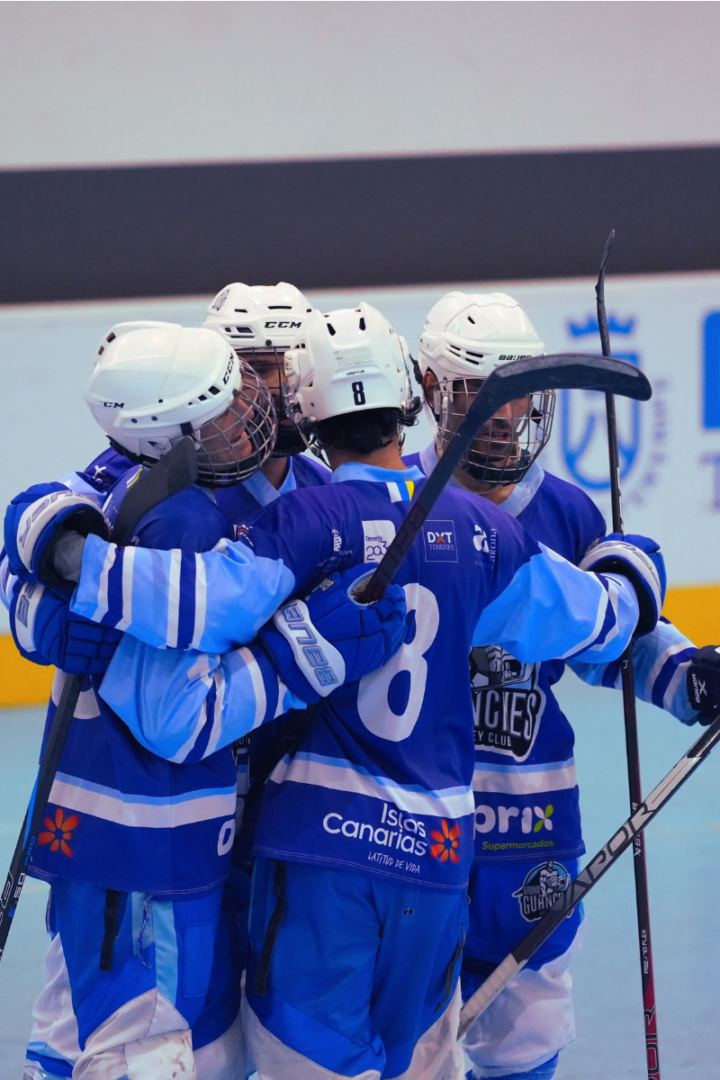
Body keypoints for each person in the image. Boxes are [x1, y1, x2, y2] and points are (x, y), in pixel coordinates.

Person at [31, 303, 667, 1080]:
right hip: (438, 861)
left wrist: (76, 571)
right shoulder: (483, 529)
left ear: (305, 411)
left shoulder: (303, 515)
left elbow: (202, 605)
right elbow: (600, 625)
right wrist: (635, 572)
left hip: (322, 850)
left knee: (274, 1054)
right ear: (412, 398)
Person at [6, 322, 406, 1080]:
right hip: (145, 839)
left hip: (149, 837)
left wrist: (55, 570)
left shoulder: (164, 487)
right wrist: (300, 657)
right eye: (222, 409)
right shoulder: (183, 516)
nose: (250, 413)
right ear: (168, 433)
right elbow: (173, 717)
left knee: (100, 1043)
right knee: (142, 1054)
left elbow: (38, 537)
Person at [408, 290, 716, 1080]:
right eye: (481, 392)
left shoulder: (569, 512)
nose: (503, 415)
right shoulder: (392, 502)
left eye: (518, 394)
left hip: (532, 831)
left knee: (527, 1036)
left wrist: (687, 677)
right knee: (405, 1039)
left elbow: (615, 645)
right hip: (409, 829)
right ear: (433, 388)